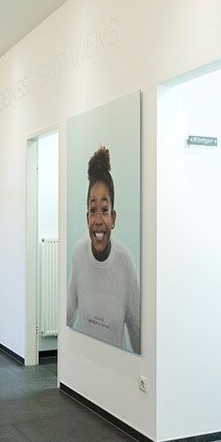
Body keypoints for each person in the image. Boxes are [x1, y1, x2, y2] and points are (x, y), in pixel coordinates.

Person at [66, 146, 141, 353]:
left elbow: (138, 333)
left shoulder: (125, 263)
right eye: (93, 210)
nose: (98, 220)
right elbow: (69, 312)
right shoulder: (79, 254)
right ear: (87, 218)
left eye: (105, 210)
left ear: (113, 218)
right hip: (84, 359)